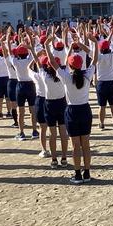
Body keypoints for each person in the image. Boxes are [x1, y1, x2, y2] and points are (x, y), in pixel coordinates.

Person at [46, 26, 97, 184]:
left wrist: (47, 46)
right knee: (86, 144)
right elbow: (95, 59)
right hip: (85, 109)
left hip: (72, 111)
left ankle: (77, 175)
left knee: (76, 146)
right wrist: (94, 43)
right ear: (81, 64)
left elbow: (53, 63)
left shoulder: (66, 77)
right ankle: (87, 173)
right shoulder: (87, 75)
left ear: (69, 65)